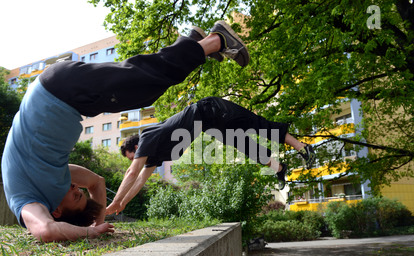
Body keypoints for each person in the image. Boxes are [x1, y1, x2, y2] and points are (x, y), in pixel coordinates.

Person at [1, 21, 249, 242]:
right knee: (143, 87)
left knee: (144, 81)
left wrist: (90, 232)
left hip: (60, 91)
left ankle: (218, 39)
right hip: (63, 92)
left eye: (75, 196)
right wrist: (100, 222)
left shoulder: (26, 199)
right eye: (78, 192)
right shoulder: (50, 176)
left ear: (56, 212)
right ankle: (195, 41)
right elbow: (97, 183)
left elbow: (46, 230)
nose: (76, 188)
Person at [106, 97, 315, 215]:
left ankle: (302, 147)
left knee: (257, 126)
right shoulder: (154, 156)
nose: (134, 161)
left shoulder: (147, 136)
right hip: (210, 125)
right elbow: (140, 179)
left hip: (211, 109)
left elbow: (132, 172)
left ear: (135, 146)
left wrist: (115, 201)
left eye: (131, 156)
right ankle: (280, 168)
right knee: (244, 145)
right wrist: (123, 203)